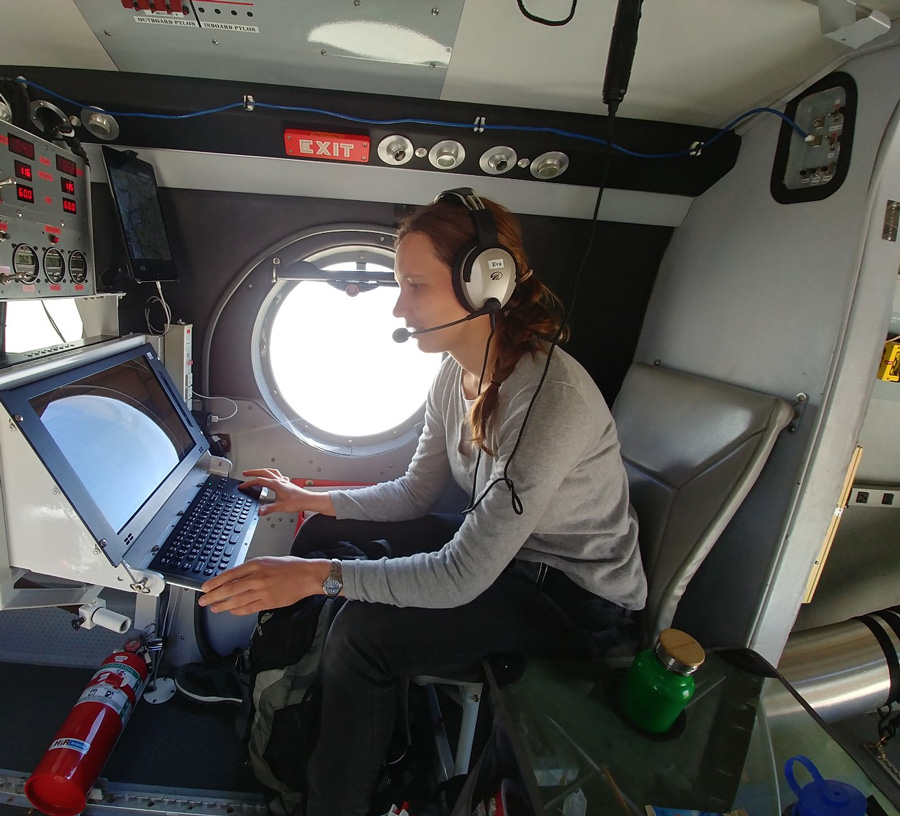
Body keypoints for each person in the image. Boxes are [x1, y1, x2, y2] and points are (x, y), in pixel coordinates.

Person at [198, 189, 647, 816]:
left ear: (485, 285)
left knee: (363, 634)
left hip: (573, 602)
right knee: (321, 540)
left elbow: (462, 574)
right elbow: (414, 493)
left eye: (415, 285)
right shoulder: (452, 373)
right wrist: (311, 500)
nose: (399, 304)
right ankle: (309, 721)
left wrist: (314, 582)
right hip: (505, 561)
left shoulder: (548, 400)